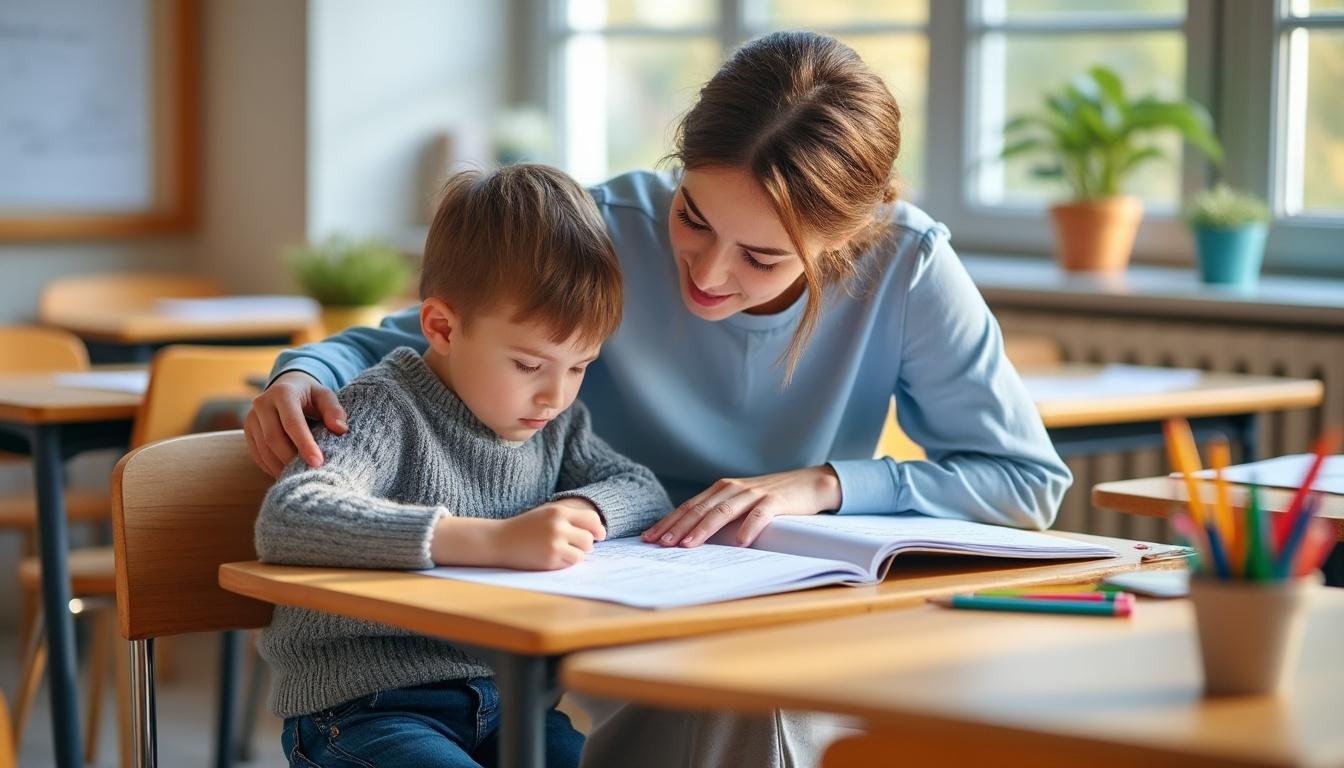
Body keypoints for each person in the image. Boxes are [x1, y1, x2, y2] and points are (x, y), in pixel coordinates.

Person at [246, 31, 1071, 768]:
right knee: (745, 707)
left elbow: (1026, 482)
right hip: (612, 603)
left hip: (795, 596)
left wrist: (823, 483)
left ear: (847, 243)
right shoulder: (605, 224)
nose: (709, 275)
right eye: (694, 216)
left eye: (762, 257)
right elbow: (419, 341)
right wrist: (302, 373)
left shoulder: (908, 264)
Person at [254, 163, 672, 768]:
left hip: (513, 706)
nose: (555, 395)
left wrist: (580, 508)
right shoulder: (384, 408)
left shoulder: (555, 426)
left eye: (580, 366)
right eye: (530, 365)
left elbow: (643, 489)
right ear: (443, 327)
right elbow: (290, 516)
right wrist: (490, 541)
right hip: (364, 710)